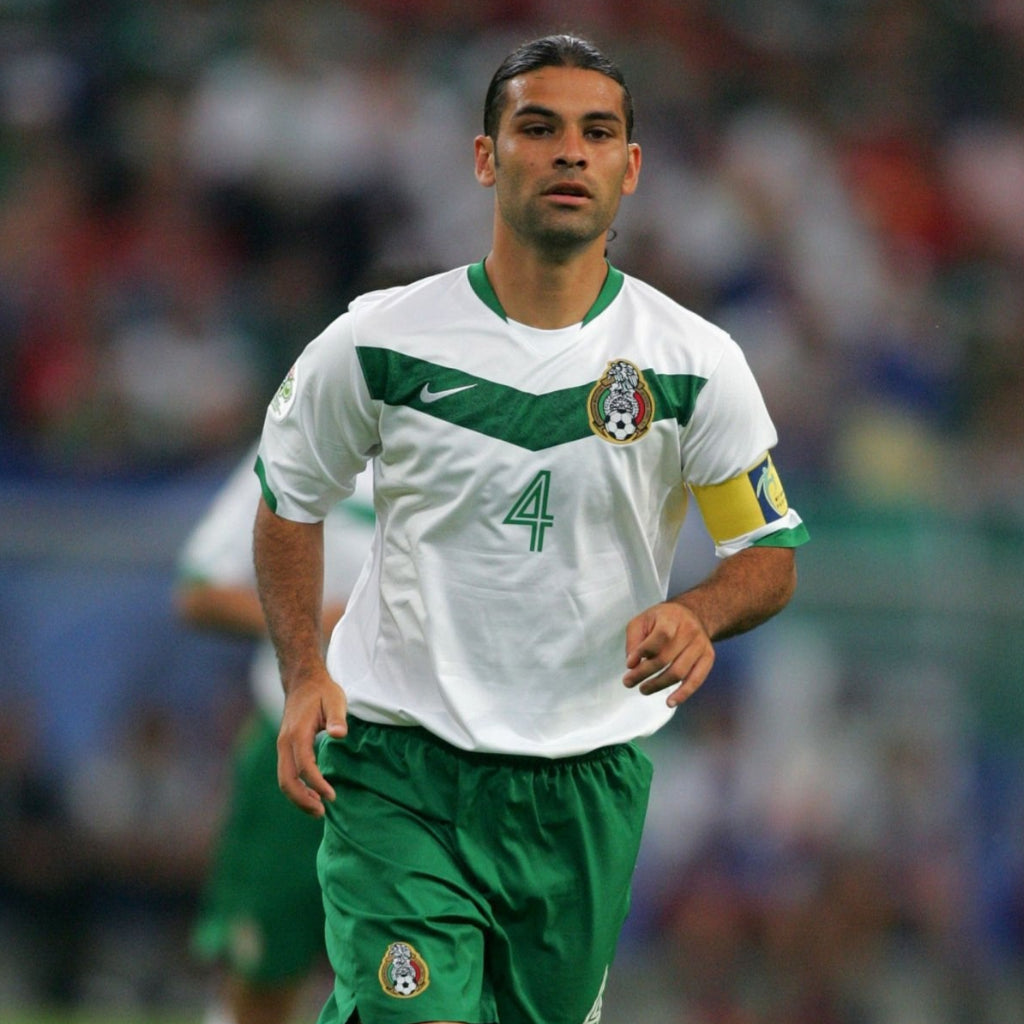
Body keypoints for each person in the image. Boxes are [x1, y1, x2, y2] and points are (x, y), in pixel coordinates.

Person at [252, 33, 810, 1024]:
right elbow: (289, 496)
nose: (568, 153)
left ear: (629, 168)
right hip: (400, 764)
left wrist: (699, 613)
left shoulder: (693, 363)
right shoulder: (380, 341)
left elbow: (766, 555)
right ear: (486, 156)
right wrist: (303, 672)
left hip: (583, 784)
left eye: (596, 133)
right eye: (538, 128)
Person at [175, 444, 374, 1024]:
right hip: (305, 747)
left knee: (417, 978)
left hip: (431, 750)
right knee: (265, 973)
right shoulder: (304, 438)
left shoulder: (478, 436)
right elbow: (200, 589)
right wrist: (317, 624)